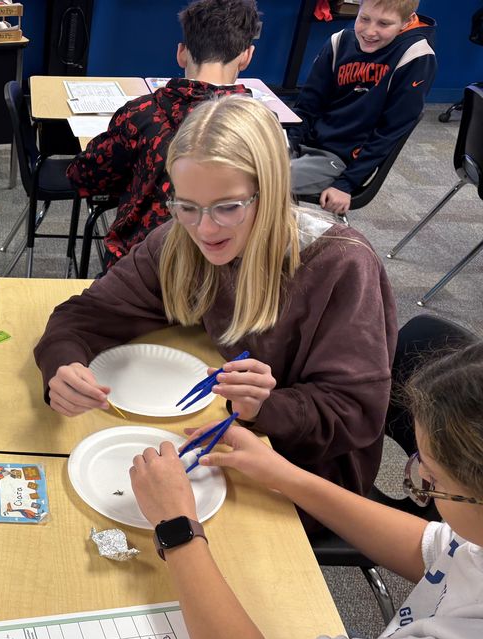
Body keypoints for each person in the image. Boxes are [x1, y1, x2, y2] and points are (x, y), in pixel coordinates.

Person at [129, 340, 483, 639]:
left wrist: (175, 525)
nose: (422, 480)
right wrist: (284, 475)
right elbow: (436, 550)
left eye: (432, 481)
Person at [36, 96, 397, 500]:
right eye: (186, 206)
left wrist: (263, 408)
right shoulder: (179, 241)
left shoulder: (341, 265)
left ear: (270, 192)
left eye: (227, 207)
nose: (205, 229)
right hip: (224, 436)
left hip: (306, 476)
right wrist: (63, 365)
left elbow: (355, 412)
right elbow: (85, 314)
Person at [66, 0, 261, 272]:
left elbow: (82, 175)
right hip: (231, 278)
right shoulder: (262, 130)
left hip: (139, 270)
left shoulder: (142, 115)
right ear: (247, 56)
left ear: (182, 53)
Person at [289, 0, 436, 216]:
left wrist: (346, 183)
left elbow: (390, 132)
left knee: (258, 180)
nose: (369, 31)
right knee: (243, 162)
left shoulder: (415, 56)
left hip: (338, 160)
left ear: (407, 21)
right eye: (364, 18)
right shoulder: (339, 41)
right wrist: (287, 145)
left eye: (384, 24)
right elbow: (308, 105)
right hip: (306, 142)